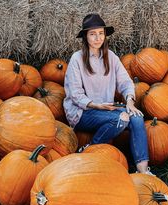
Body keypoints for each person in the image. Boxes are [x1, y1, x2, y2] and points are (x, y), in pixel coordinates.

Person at [64, 13, 153, 174]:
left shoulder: (111, 57)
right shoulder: (77, 59)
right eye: (92, 34)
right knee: (121, 118)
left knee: (136, 117)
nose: (97, 38)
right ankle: (89, 151)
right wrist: (96, 104)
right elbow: (75, 94)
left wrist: (130, 101)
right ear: (85, 37)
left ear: (105, 35)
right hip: (83, 111)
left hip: (106, 109)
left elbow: (125, 82)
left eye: (101, 33)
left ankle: (143, 170)